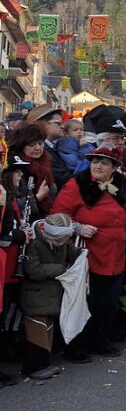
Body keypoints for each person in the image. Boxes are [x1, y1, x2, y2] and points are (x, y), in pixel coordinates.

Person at [53, 147, 126, 360]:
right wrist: (78, 227)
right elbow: (56, 217)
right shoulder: (77, 185)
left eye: (104, 163)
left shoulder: (120, 185)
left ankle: (101, 341)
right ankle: (76, 347)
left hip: (116, 255)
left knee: (108, 302)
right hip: (87, 255)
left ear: (114, 168)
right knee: (85, 302)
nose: (98, 165)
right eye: (95, 161)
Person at [19, 213, 81, 379]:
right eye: (59, 241)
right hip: (35, 293)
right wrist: (61, 269)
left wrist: (79, 254)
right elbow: (32, 270)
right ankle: (32, 367)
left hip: (51, 293)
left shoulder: (61, 240)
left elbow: (69, 251)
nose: (62, 244)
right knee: (36, 331)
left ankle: (43, 363)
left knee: (47, 329)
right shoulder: (33, 243)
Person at [0, 155, 34, 383]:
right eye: (17, 171)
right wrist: (22, 235)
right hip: (5, 265)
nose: (21, 176)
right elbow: (3, 237)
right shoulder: (3, 198)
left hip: (9, 265)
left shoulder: (10, 198)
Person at [8, 125, 55, 215]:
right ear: (21, 146)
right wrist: (37, 198)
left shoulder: (45, 163)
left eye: (40, 143)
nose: (37, 148)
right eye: (31, 145)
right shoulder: (14, 169)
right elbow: (13, 204)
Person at [55, 118, 87, 191]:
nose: (79, 132)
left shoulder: (83, 142)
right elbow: (73, 163)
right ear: (66, 133)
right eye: (75, 130)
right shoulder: (65, 144)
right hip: (74, 175)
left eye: (81, 130)